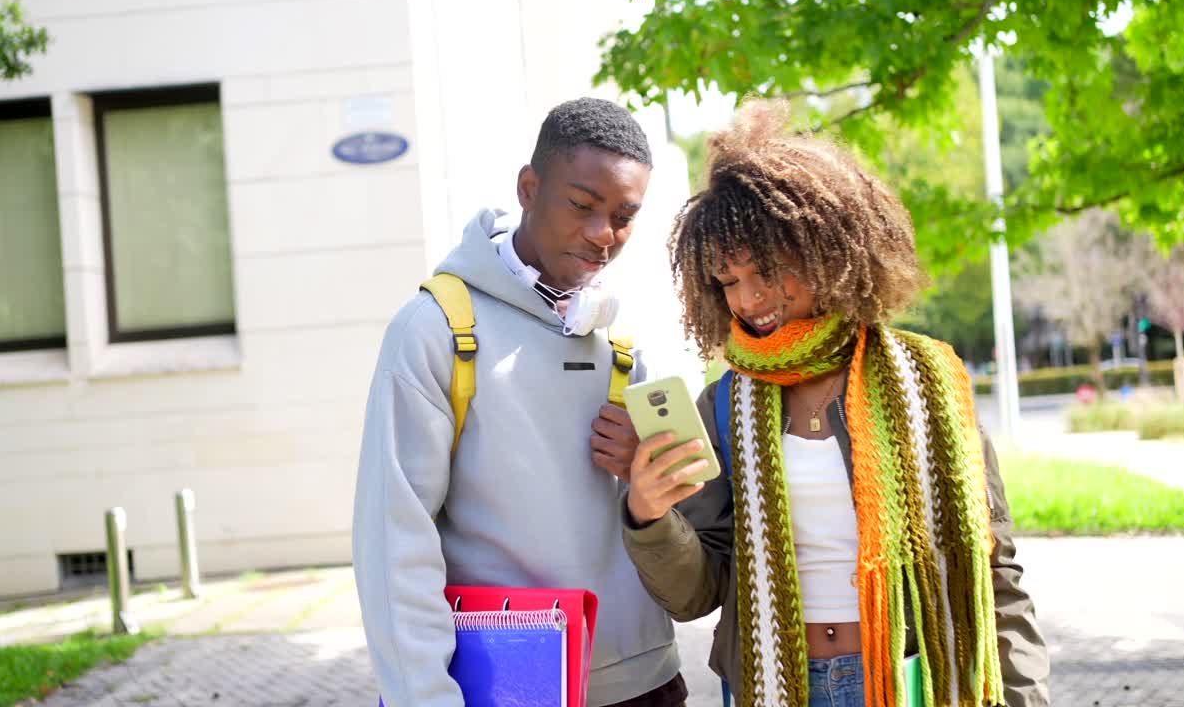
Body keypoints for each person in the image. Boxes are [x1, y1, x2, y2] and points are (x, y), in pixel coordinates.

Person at [618, 101, 1050, 707]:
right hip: (774, 686)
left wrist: (1027, 695)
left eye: (764, 269)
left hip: (909, 682)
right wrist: (650, 516)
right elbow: (700, 593)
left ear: (825, 247)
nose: (748, 297)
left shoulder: (928, 383)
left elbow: (994, 569)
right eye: (728, 280)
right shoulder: (724, 405)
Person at [353, 97, 688, 707]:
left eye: (623, 215)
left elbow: (679, 527)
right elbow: (394, 541)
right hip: (503, 689)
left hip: (645, 686)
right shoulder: (434, 330)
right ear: (529, 188)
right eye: (582, 206)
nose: (601, 235)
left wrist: (649, 482)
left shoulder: (627, 335)